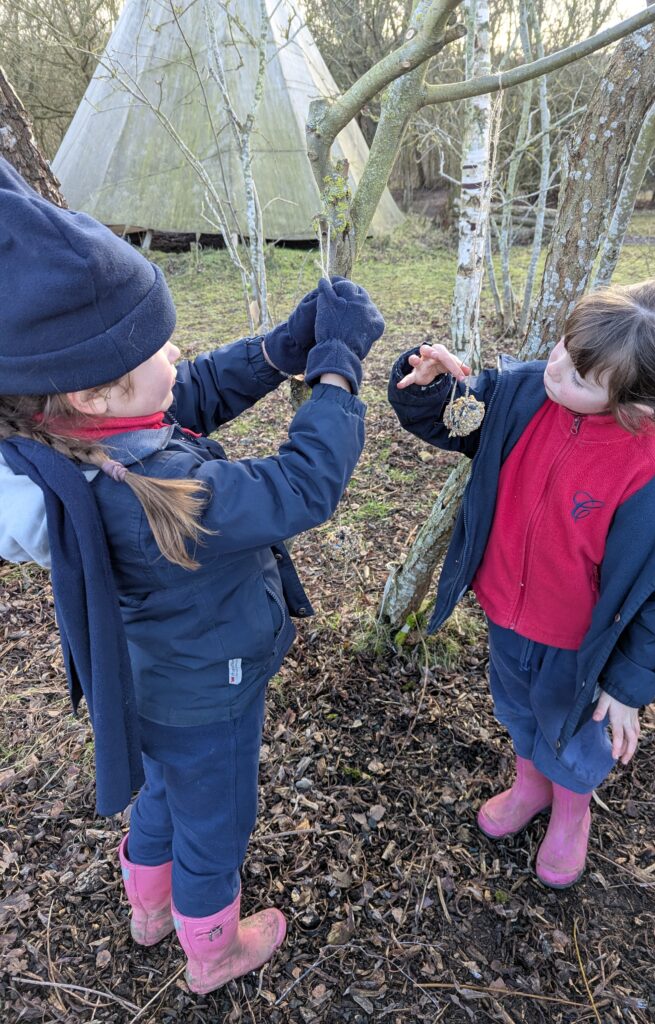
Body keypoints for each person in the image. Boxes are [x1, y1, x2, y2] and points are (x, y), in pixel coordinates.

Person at [0, 157, 383, 993]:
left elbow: (191, 392)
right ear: (96, 394)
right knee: (217, 818)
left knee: (164, 792)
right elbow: (301, 485)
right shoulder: (158, 499)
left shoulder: (69, 445)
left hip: (149, 682)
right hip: (212, 684)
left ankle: (147, 909)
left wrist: (281, 348)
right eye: (153, 345)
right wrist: (334, 370)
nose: (174, 348)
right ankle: (212, 952)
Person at [388, 277, 655, 889]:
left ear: (638, 407)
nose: (553, 369)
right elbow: (457, 420)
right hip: (506, 612)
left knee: (576, 735)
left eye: (579, 375)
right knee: (516, 707)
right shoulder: (525, 395)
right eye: (560, 347)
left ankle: (571, 811)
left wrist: (628, 687)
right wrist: (434, 384)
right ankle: (530, 787)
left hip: (584, 649)